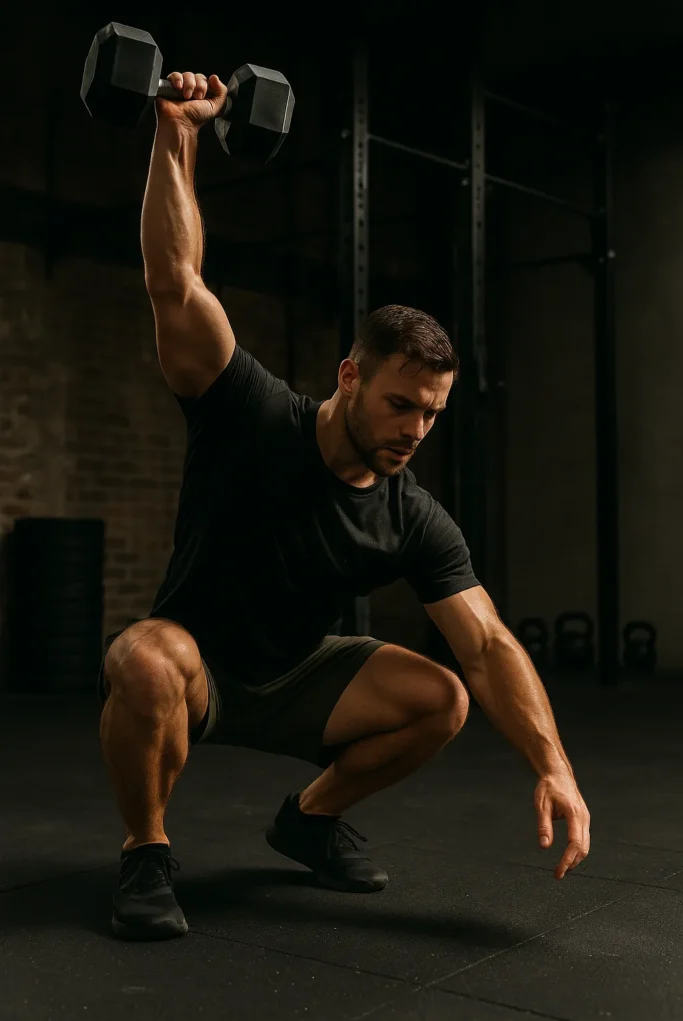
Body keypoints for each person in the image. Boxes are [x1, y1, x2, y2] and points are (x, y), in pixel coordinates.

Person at [97, 70, 591, 941]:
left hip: (298, 676)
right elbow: (174, 281)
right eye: (400, 405)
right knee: (141, 659)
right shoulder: (247, 411)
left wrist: (553, 767)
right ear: (350, 376)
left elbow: (487, 642)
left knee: (442, 696)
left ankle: (309, 819)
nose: (414, 430)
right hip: (198, 661)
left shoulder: (410, 513)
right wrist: (175, 132)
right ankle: (146, 850)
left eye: (432, 415)